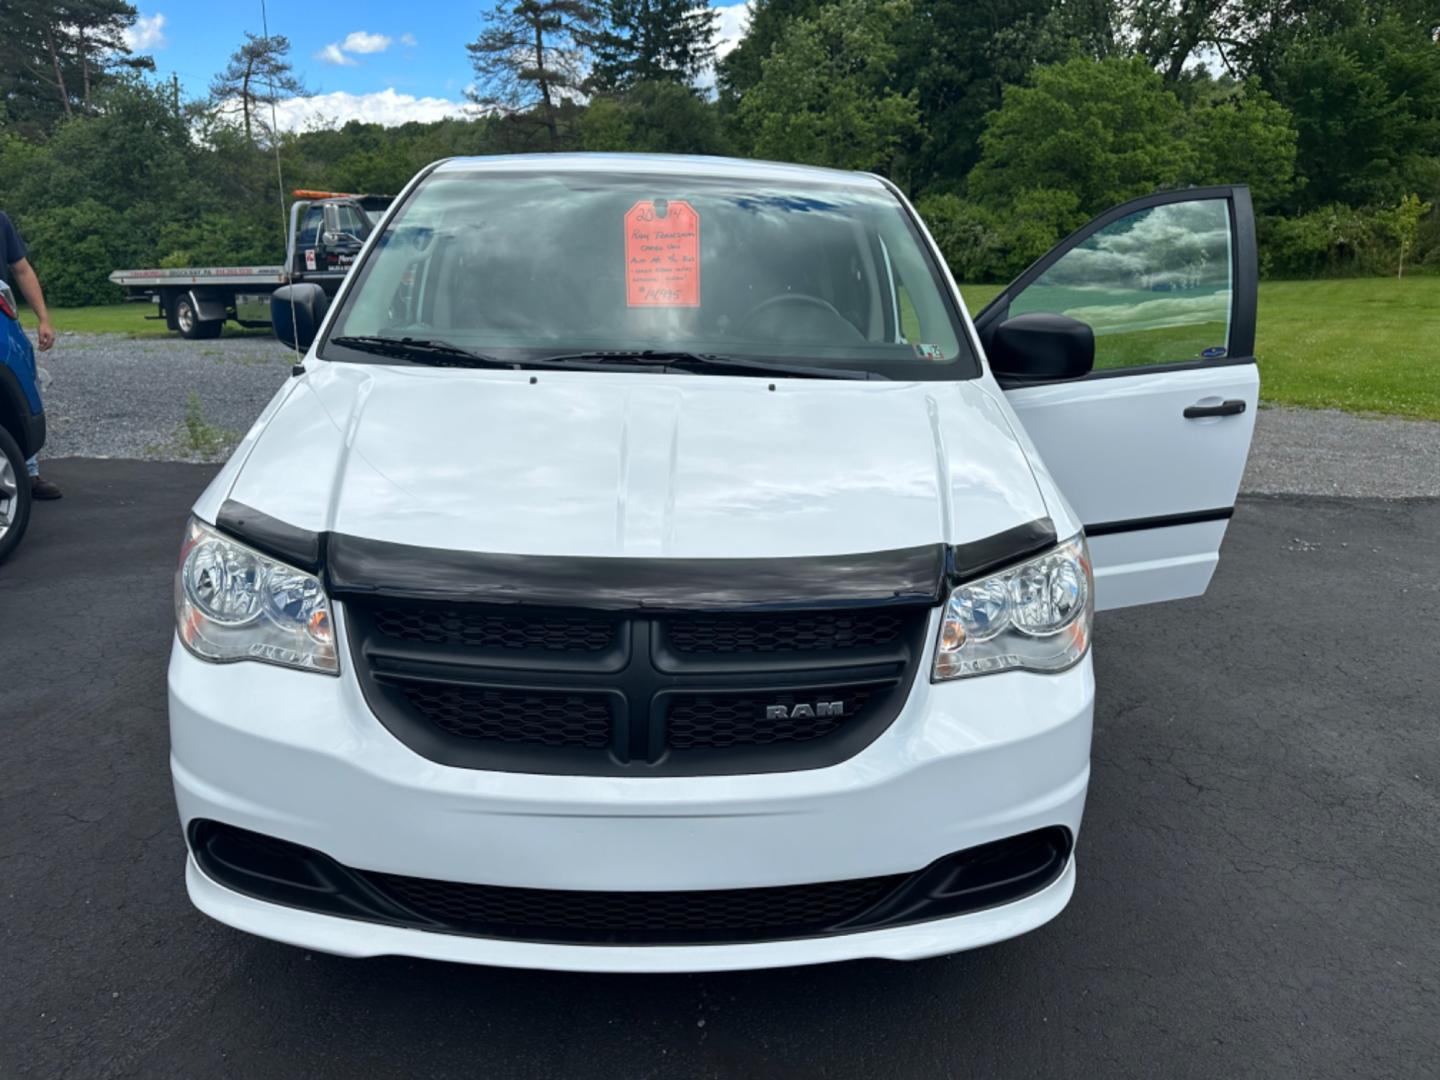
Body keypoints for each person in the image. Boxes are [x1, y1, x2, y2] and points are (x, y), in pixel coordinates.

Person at [0, 209, 60, 499]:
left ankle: (28, 474)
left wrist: (43, 319)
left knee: (22, 387)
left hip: (2, 323)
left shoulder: (1, 220)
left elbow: (21, 269)